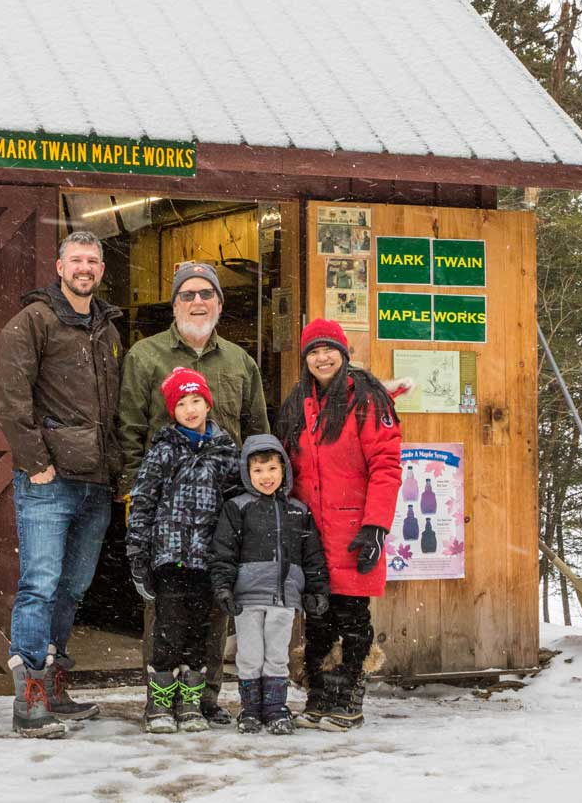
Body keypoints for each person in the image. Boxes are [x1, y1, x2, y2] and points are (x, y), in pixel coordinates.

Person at [118, 261, 268, 725]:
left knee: (215, 602)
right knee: (165, 609)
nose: (197, 302)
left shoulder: (241, 362)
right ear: (175, 303)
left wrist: (256, 503)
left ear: (220, 303)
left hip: (224, 509)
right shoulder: (145, 356)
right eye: (188, 295)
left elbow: (257, 431)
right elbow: (129, 430)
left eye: (206, 294)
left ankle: (205, 697)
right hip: (166, 512)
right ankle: (159, 700)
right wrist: (130, 497)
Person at [0, 230, 122, 739]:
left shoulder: (108, 331)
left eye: (92, 260)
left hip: (96, 483)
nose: (84, 268)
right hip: (49, 481)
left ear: (101, 270)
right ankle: (29, 701)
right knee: (40, 585)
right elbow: (9, 396)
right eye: (76, 260)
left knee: (72, 588)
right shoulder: (33, 322)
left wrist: (116, 470)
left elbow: (113, 411)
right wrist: (35, 462)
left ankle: (55, 690)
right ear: (59, 266)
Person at [275, 319, 403, 732]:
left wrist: (376, 526)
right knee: (317, 617)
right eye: (313, 351)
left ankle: (348, 697)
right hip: (310, 531)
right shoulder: (298, 403)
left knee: (351, 616)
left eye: (329, 349)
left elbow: (386, 465)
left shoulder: (367, 399)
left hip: (353, 529)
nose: (322, 357)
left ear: (344, 354)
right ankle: (319, 696)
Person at [124, 368, 239, 733]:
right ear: (172, 410)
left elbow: (236, 506)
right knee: (168, 630)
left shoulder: (225, 453)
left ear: (208, 404)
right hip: (169, 560)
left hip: (207, 560)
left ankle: (190, 702)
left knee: (200, 633)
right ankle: (160, 703)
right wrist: (138, 555)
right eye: (182, 403)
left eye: (196, 401)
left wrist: (232, 557)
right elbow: (142, 502)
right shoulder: (162, 451)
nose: (190, 409)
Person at [210, 434, 330, 735]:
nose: (266, 477)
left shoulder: (297, 511)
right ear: (247, 473)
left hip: (284, 598)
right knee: (249, 655)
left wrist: (316, 590)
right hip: (247, 598)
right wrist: (223, 587)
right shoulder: (237, 508)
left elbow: (312, 555)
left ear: (284, 470)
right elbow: (223, 553)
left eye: (273, 469)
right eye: (258, 471)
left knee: (277, 655)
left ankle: (276, 708)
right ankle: (250, 709)